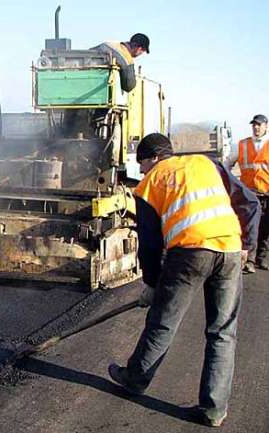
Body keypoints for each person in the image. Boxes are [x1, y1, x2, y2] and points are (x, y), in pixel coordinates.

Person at [108, 133, 260, 427]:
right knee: (222, 332)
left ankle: (135, 379)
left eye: (142, 165)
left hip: (190, 252)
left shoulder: (150, 183)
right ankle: (214, 410)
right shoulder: (209, 164)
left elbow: (150, 244)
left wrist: (152, 284)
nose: (141, 172)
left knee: (163, 322)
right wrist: (246, 246)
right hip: (228, 250)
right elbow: (250, 203)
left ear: (153, 158)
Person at [226, 114, 269, 273]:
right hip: (249, 194)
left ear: (265, 126)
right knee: (251, 227)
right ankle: (249, 261)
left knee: (266, 228)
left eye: (259, 125)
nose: (256, 128)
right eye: (254, 125)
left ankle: (262, 259)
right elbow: (227, 165)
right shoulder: (242, 145)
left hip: (267, 192)